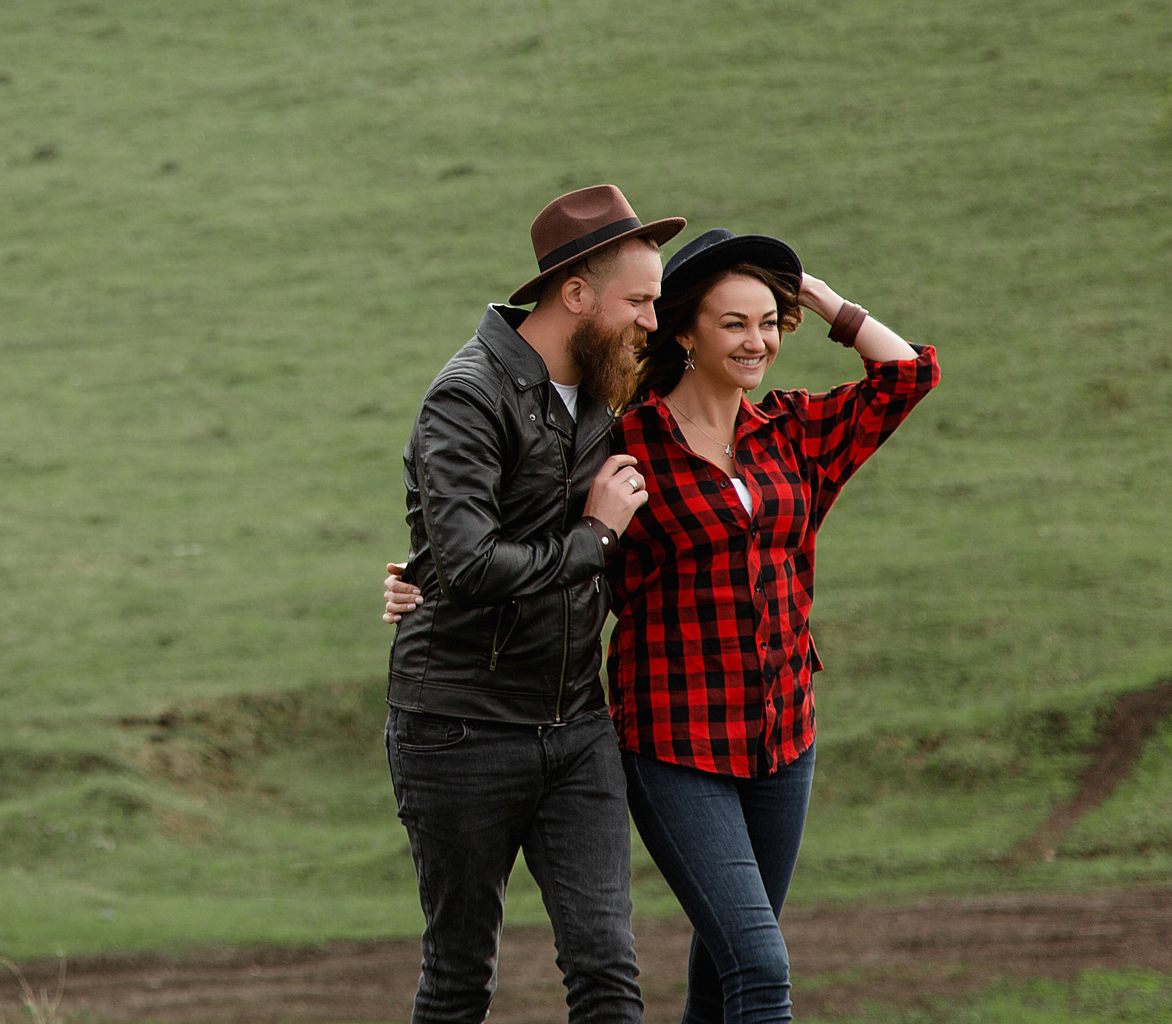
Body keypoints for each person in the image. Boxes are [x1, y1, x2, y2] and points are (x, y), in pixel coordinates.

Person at [386, 228, 937, 1024]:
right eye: (733, 321)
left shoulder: (788, 431)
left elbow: (907, 376)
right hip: (669, 735)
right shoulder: (622, 436)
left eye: (770, 322)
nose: (759, 340)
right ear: (684, 330)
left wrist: (810, 293)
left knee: (704, 969)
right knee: (754, 962)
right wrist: (419, 581)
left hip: (779, 731)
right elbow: (500, 530)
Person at [383, 185, 684, 1024]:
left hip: (578, 726)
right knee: (458, 975)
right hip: (459, 726)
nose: (651, 323)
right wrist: (596, 536)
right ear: (576, 295)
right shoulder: (466, 396)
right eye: (639, 301)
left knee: (606, 970)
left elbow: (723, 344)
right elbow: (471, 562)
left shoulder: (604, 382)